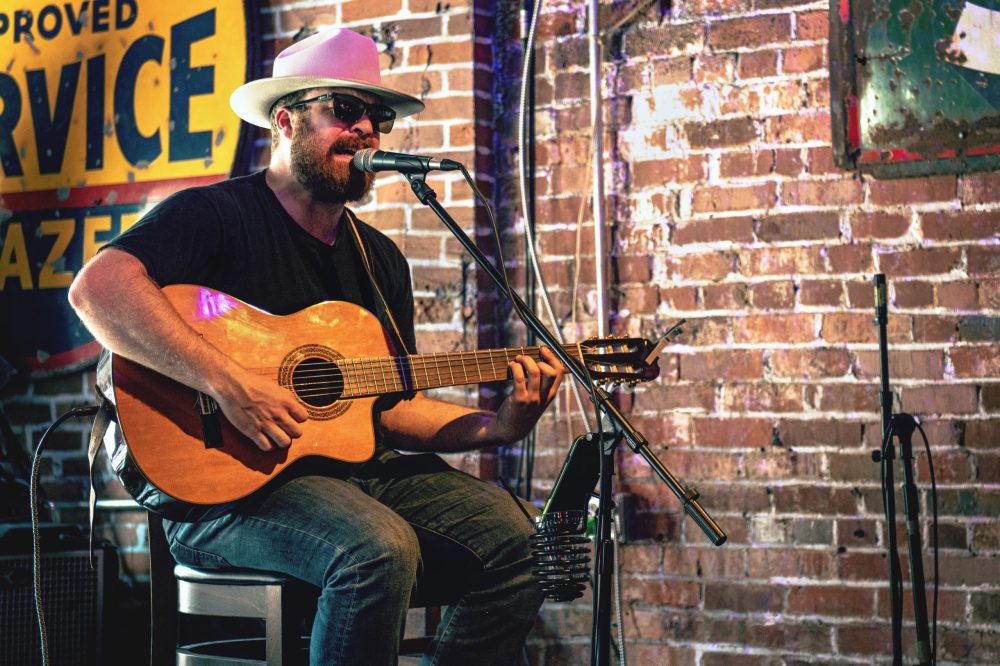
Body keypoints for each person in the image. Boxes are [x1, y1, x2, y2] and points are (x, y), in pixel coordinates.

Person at [68, 28, 563, 665]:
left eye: (377, 117)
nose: (365, 130)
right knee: (377, 548)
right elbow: (97, 289)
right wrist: (228, 383)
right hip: (227, 491)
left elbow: (386, 407)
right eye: (345, 110)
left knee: (521, 539)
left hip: (353, 477)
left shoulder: (378, 258)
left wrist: (499, 425)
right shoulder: (215, 216)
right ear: (286, 120)